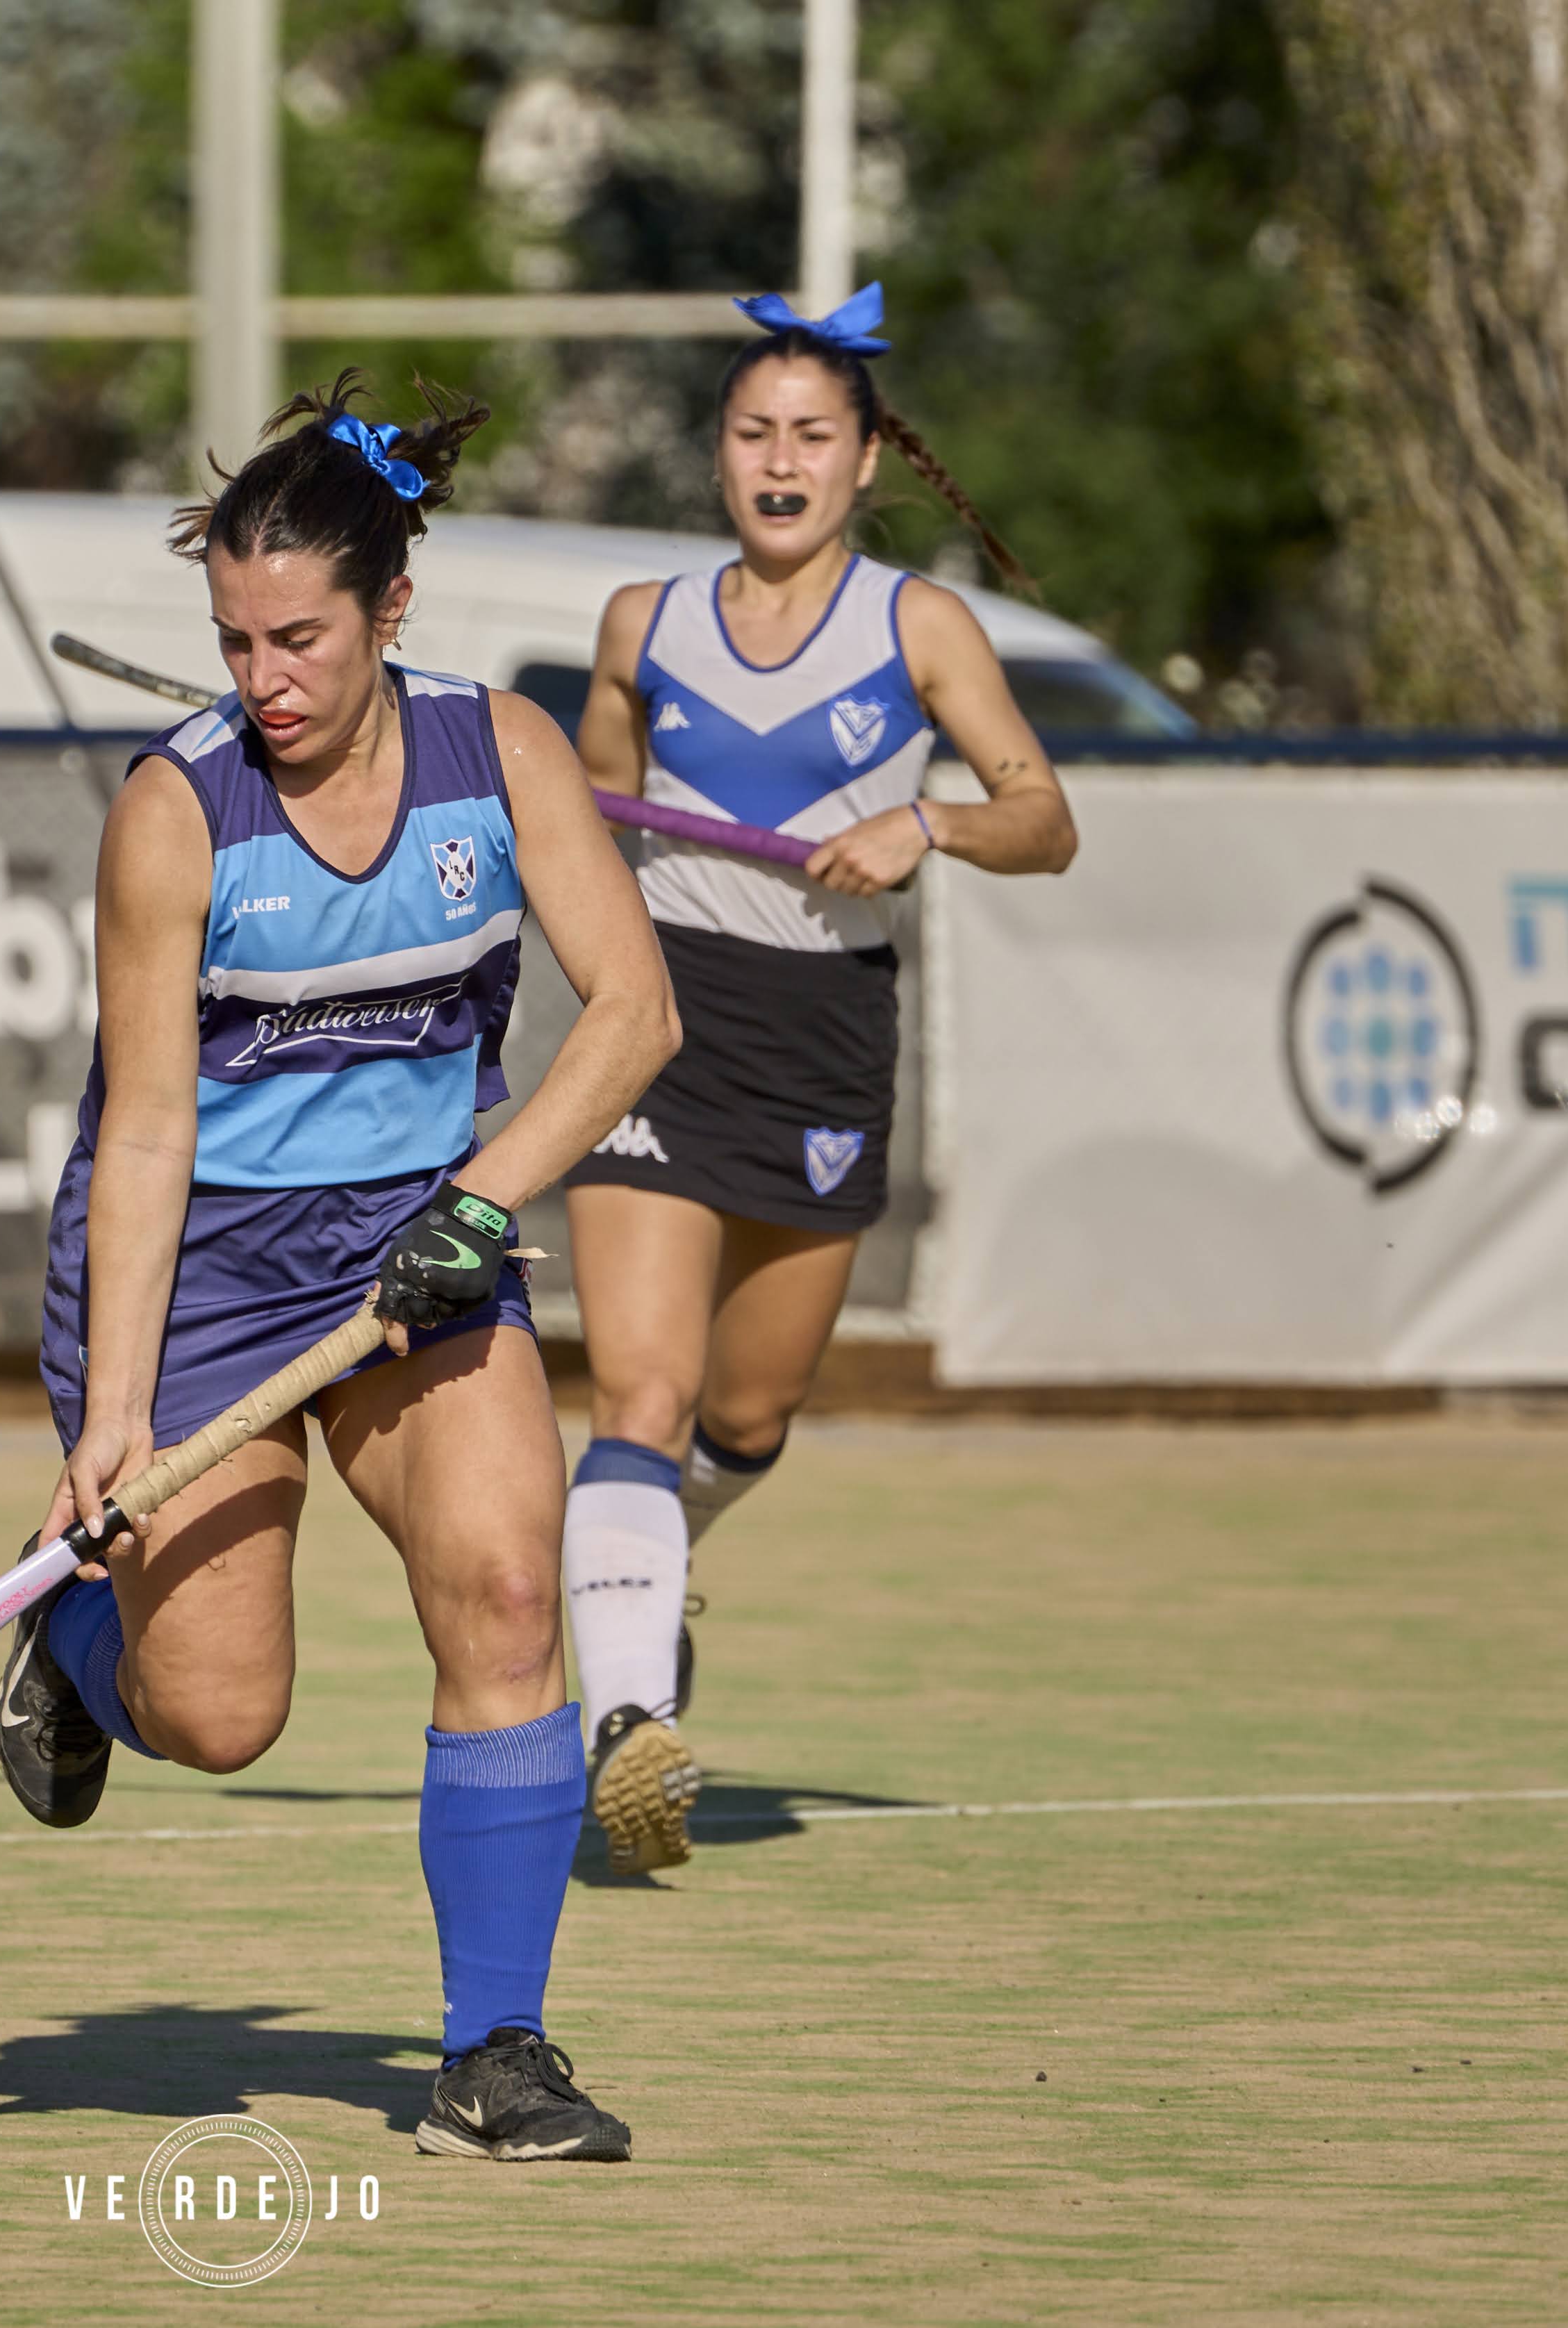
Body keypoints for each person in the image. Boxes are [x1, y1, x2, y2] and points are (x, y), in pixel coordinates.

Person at [0, 373, 682, 2163]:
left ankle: (490, 2050)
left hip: (413, 1250)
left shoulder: (497, 753)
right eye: (233, 640)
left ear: (390, 607)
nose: (261, 678)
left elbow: (632, 1010)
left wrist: (489, 1186)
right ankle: (74, 1638)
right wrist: (121, 1416)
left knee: (504, 1591)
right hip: (202, 1267)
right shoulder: (175, 815)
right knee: (218, 1715)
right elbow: (141, 1131)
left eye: (298, 635)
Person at [557, 284, 1079, 1876]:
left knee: (747, 1405)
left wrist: (921, 824)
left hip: (826, 1029)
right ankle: (624, 1721)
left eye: (810, 436)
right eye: (748, 433)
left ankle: (655, 1564)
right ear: (715, 454)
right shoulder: (640, 623)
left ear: (863, 463)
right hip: (657, 1016)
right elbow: (585, 800)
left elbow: (1041, 817)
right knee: (635, 1393)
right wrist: (573, 821)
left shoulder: (916, 628)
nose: (776, 461)